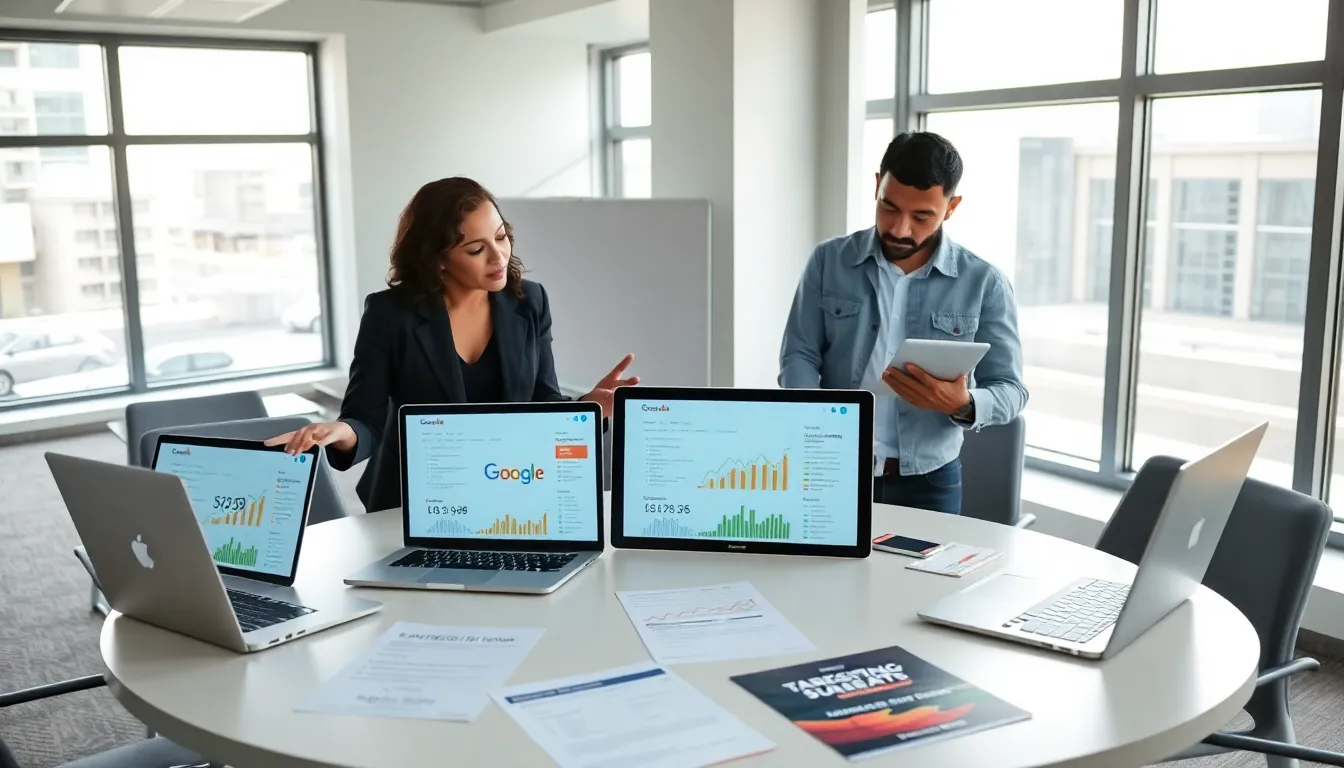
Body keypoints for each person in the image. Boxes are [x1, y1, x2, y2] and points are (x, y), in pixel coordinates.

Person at [267, 177, 638, 512]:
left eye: (501, 236)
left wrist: (589, 407)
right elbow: (367, 418)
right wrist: (339, 432)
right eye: (476, 250)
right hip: (413, 502)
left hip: (510, 489)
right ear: (437, 259)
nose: (498, 257)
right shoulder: (389, 313)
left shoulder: (529, 301)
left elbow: (541, 404)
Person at [778, 132, 1027, 514]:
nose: (899, 229)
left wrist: (963, 403)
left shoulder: (985, 284)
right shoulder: (829, 261)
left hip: (929, 482)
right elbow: (799, 353)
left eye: (922, 216)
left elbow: (1011, 389)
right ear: (877, 186)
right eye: (888, 207)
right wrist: (810, 418)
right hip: (831, 469)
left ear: (951, 206)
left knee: (921, 577)